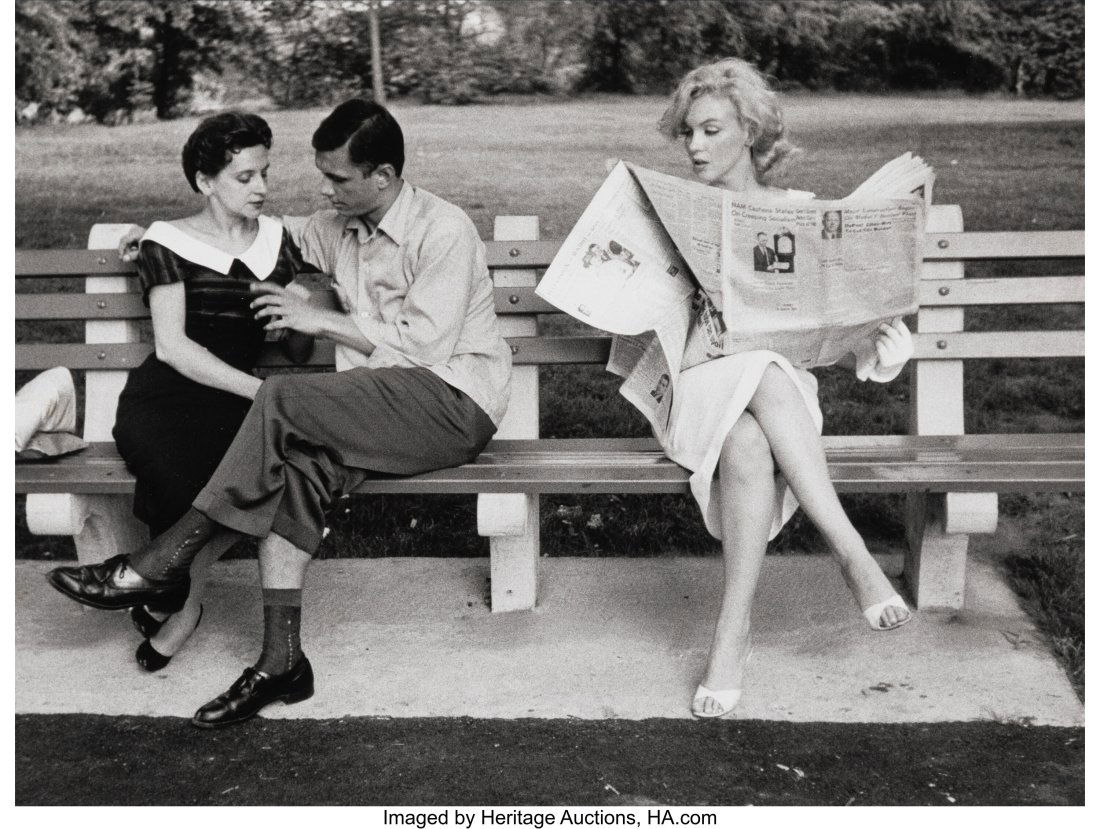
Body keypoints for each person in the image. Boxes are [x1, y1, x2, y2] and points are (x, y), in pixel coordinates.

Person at [47, 99, 512, 728]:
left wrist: (323, 319)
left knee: (282, 398)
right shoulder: (338, 224)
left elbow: (425, 348)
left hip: (450, 401)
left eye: (339, 178)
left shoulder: (443, 229)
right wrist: (156, 232)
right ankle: (282, 663)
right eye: (322, 175)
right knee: (295, 474)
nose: (326, 188)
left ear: (383, 175)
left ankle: (160, 564)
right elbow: (255, 227)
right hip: (375, 408)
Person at [653, 58, 913, 718]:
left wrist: (862, 322)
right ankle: (851, 553)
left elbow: (851, 330)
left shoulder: (799, 214)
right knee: (759, 373)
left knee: (752, 423)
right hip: (696, 395)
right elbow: (662, 347)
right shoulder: (677, 215)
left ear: (749, 130)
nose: (695, 146)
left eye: (711, 130)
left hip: (776, 409)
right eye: (687, 132)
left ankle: (731, 632)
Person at [116, 112, 318, 672]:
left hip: (239, 398)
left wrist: (300, 309)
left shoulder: (279, 242)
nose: (262, 189)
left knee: (242, 476)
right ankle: (179, 600)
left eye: (265, 174)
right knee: (185, 471)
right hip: (168, 394)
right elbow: (174, 349)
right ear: (206, 183)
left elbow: (298, 351)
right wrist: (264, 393)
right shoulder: (167, 241)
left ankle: (177, 601)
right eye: (245, 177)